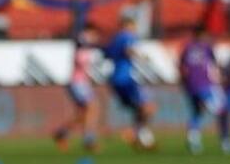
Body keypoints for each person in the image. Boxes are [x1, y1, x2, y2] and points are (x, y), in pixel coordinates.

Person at [104, 15, 156, 149]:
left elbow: (107, 54)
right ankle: (134, 133)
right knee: (148, 107)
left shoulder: (114, 39)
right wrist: (142, 57)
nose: (134, 29)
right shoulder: (126, 36)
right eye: (133, 26)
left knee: (139, 109)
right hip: (126, 79)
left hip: (115, 80)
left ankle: (142, 138)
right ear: (127, 26)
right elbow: (129, 50)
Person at [178, 25, 223, 154]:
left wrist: (184, 82)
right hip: (203, 83)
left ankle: (193, 138)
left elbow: (182, 67)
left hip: (191, 85)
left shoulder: (187, 48)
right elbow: (214, 64)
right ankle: (224, 138)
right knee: (213, 107)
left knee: (196, 112)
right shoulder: (206, 48)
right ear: (201, 35)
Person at [53, 26, 98, 151]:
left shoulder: (86, 50)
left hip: (82, 83)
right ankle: (88, 140)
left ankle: (62, 133)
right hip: (78, 83)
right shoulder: (81, 49)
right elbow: (79, 61)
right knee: (91, 108)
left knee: (84, 113)